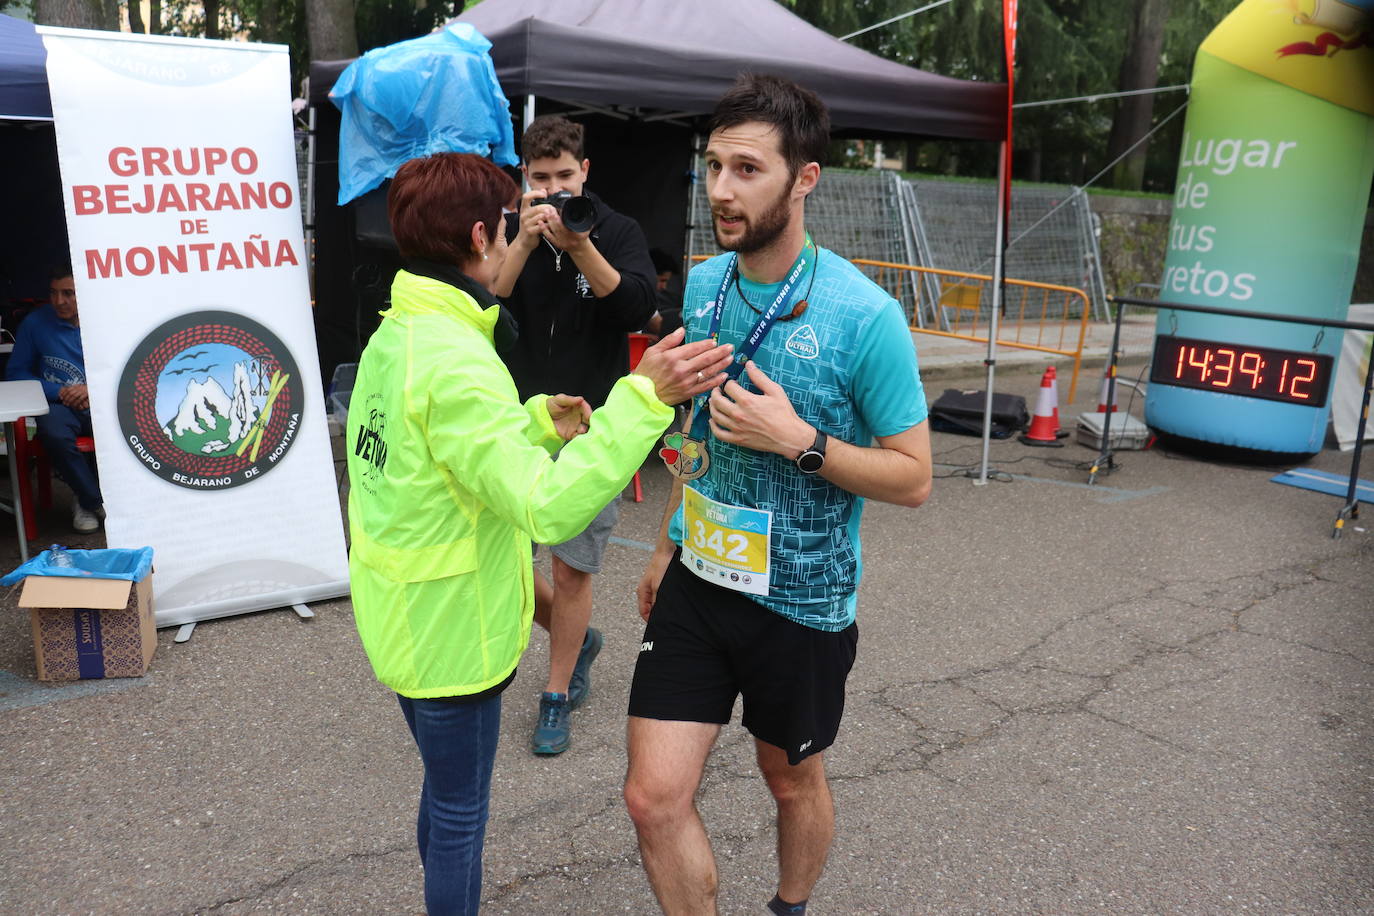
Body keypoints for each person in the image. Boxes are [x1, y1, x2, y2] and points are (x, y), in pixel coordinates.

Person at [345, 152, 731, 916]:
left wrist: (530, 421)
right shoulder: (458, 359)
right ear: (484, 235)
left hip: (399, 613)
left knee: (444, 794)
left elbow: (434, 456)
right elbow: (549, 508)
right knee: (460, 816)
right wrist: (642, 399)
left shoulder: (403, 331)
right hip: (451, 630)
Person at [624, 75, 933, 916]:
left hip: (800, 600)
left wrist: (799, 443)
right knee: (652, 798)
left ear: (804, 179)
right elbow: (693, 426)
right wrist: (664, 543)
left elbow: (914, 477)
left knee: (789, 781)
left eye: (748, 169)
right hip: (699, 575)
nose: (722, 190)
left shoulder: (864, 318)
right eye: (715, 166)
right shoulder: (704, 284)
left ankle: (790, 907)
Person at [493, 114, 660, 756]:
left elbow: (639, 309)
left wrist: (581, 243)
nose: (557, 190)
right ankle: (581, 637)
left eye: (567, 176)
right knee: (506, 560)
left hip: (594, 426)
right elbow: (485, 311)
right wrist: (527, 245)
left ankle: (556, 693)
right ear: (524, 179)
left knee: (571, 572)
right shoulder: (514, 230)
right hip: (520, 418)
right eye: (542, 179)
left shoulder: (615, 230)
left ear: (585, 172)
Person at [6, 264, 102, 533]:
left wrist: (91, 390)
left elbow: (131, 368)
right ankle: (92, 501)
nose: (59, 301)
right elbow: (16, 373)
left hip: (102, 403)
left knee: (127, 431)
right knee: (55, 434)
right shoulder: (36, 323)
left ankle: (119, 500)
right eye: (54, 293)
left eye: (68, 293)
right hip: (59, 404)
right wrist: (57, 391)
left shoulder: (106, 318)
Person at [644, 247, 684, 338]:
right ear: (649, 274)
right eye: (662, 280)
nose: (664, 287)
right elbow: (657, 326)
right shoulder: (643, 297)